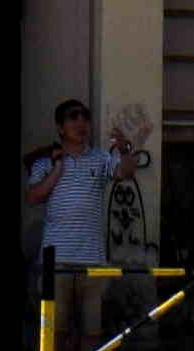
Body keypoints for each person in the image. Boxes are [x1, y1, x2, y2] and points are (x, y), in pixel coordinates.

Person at [17, 99, 128, 284]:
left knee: (91, 314)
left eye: (85, 117)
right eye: (73, 116)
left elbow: (126, 173)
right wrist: (58, 168)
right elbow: (32, 197)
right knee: (56, 314)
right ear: (60, 128)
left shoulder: (101, 157)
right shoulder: (45, 162)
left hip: (93, 259)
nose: (81, 122)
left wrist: (124, 150)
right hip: (56, 259)